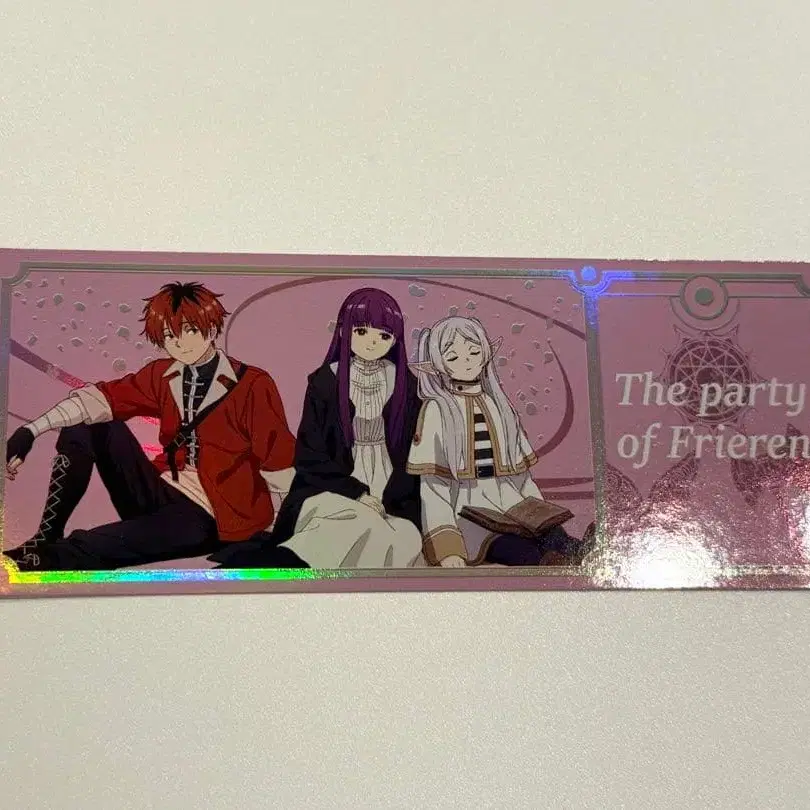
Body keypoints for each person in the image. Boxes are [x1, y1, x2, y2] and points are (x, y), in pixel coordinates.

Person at [3, 281, 296, 570]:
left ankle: (31, 563)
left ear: (211, 327)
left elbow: (280, 464)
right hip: (161, 490)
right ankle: (47, 535)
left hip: (211, 517)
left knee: (96, 545)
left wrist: (274, 535)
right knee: (88, 424)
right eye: (169, 335)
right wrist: (31, 430)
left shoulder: (252, 384)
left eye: (189, 330)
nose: (179, 342)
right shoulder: (163, 374)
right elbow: (101, 399)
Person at [212, 287, 423, 569]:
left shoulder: (407, 386)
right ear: (343, 331)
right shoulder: (325, 382)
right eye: (361, 331)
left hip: (392, 497)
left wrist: (393, 500)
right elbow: (310, 456)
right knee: (357, 520)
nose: (372, 342)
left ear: (395, 340)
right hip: (330, 490)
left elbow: (414, 457)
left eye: (384, 335)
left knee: (404, 537)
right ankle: (286, 563)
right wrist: (358, 494)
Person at [407, 315, 594, 567]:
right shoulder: (436, 411)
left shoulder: (499, 406)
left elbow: (521, 477)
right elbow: (433, 488)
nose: (466, 361)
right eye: (453, 357)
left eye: (474, 352)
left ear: (485, 354)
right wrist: (448, 549)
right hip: (468, 515)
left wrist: (540, 515)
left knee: (555, 537)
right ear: (439, 365)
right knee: (518, 550)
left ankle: (583, 551)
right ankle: (552, 562)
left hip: (513, 505)